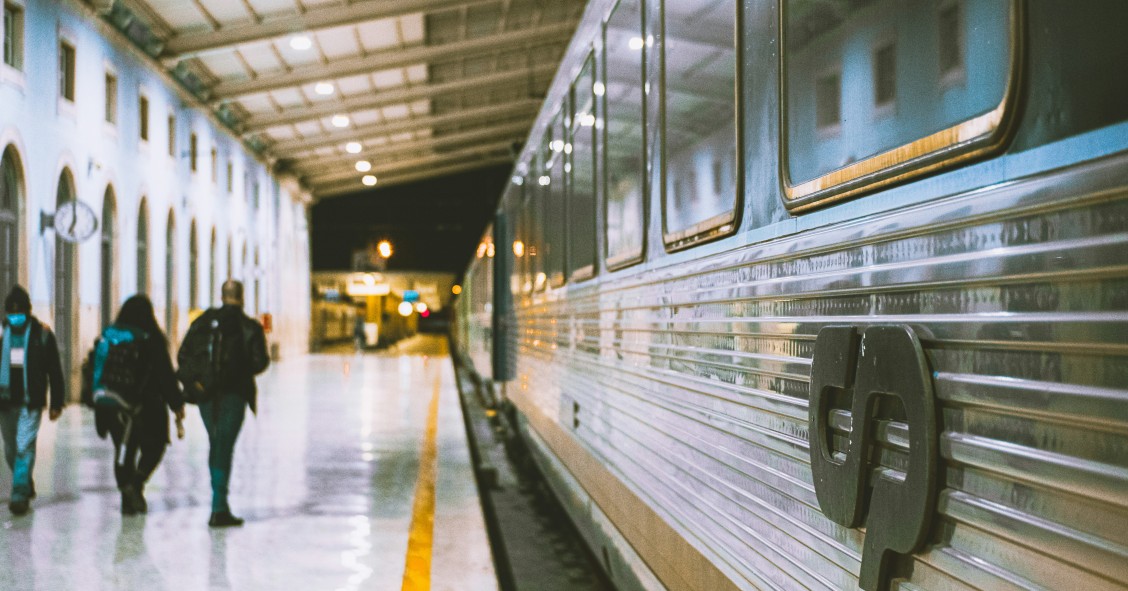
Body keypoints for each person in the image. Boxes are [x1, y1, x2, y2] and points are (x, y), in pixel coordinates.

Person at [178, 280, 269, 527]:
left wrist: (199, 382)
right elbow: (261, 362)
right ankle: (219, 507)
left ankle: (219, 504)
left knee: (215, 442)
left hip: (206, 395)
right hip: (234, 394)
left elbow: (183, 355)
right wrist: (237, 371)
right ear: (242, 297)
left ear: (221, 295)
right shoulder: (249, 326)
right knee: (224, 445)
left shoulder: (202, 322)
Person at [91, 295, 185, 515]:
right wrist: (176, 403)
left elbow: (94, 370)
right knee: (156, 445)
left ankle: (127, 492)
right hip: (146, 405)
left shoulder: (110, 335)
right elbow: (165, 375)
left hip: (111, 403)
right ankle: (136, 483)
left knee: (124, 449)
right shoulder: (151, 338)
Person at [0, 285, 65, 515]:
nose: (15, 316)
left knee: (23, 447)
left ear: (28, 312)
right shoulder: (1, 333)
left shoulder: (42, 334)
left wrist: (57, 401)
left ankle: (19, 494)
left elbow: (54, 371)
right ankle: (25, 480)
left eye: (19, 312)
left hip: (31, 401)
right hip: (5, 401)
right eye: (11, 312)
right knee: (9, 448)